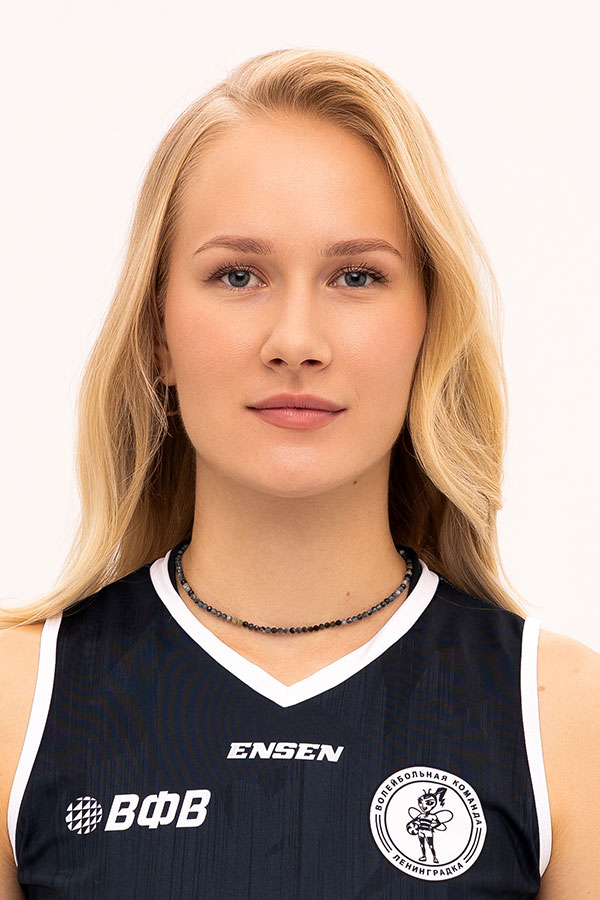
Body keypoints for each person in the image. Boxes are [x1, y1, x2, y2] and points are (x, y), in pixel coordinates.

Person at [0, 47, 598, 899]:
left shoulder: (561, 716)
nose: (295, 341)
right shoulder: (22, 701)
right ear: (158, 332)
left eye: (357, 276)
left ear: (429, 325)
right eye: (237, 275)